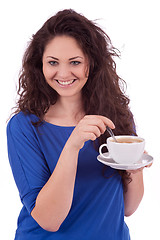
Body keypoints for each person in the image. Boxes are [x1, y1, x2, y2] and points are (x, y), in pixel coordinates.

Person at [7, 9, 148, 240]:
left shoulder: (116, 116)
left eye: (75, 62)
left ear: (91, 64)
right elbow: (49, 220)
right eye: (53, 62)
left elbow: (128, 208)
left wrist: (135, 167)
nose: (63, 73)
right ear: (39, 65)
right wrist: (73, 145)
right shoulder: (23, 127)